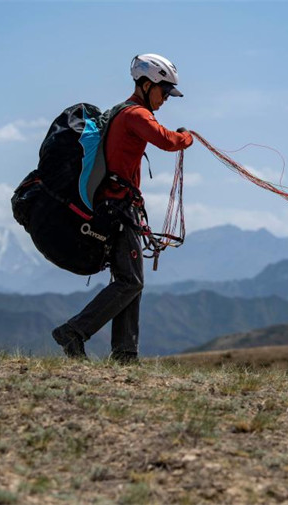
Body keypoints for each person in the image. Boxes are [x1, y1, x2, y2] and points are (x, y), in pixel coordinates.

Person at [51, 54, 193, 362]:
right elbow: (167, 140)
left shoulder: (122, 112)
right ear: (146, 84)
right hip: (118, 208)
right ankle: (74, 331)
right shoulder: (136, 115)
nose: (166, 99)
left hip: (115, 206)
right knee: (131, 281)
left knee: (129, 279)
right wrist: (186, 138)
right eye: (164, 91)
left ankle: (126, 354)